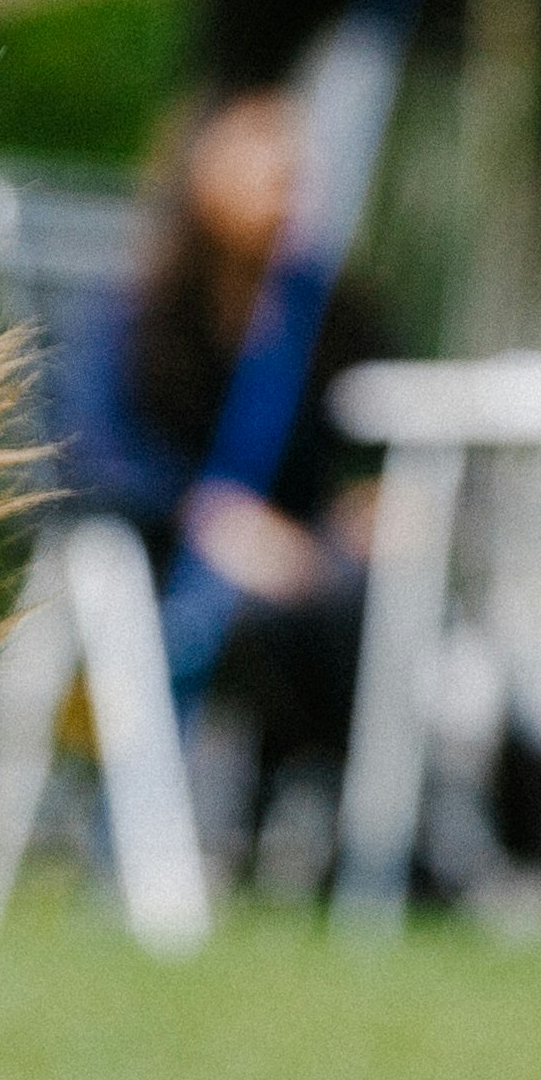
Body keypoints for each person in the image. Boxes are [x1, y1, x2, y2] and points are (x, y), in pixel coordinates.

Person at [72, 85, 386, 841]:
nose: (287, 174)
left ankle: (368, 831)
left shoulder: (326, 312)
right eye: (262, 153)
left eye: (294, 158)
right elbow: (93, 453)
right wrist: (208, 517)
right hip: (163, 556)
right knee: (275, 617)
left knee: (370, 600)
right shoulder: (136, 312)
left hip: (306, 556)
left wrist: (371, 499)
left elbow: (369, 429)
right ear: (201, 173)